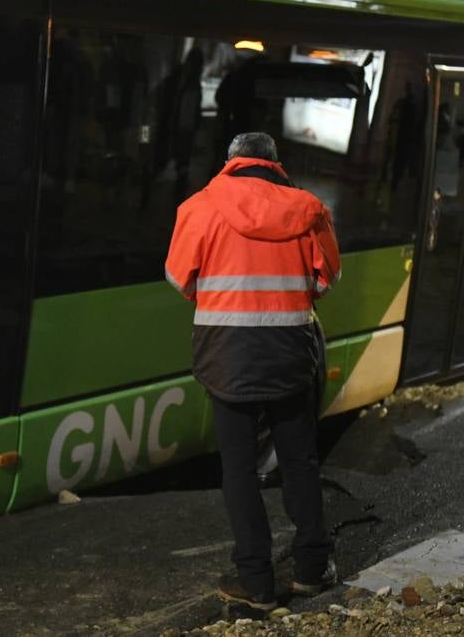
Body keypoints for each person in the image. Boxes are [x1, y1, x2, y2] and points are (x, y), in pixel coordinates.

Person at [164, 132, 340, 612]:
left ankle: (257, 582)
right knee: (299, 460)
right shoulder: (310, 209)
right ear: (275, 165)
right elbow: (327, 280)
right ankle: (310, 569)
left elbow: (180, 279)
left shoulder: (198, 207)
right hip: (289, 353)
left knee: (239, 469)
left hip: (227, 356)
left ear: (231, 162)